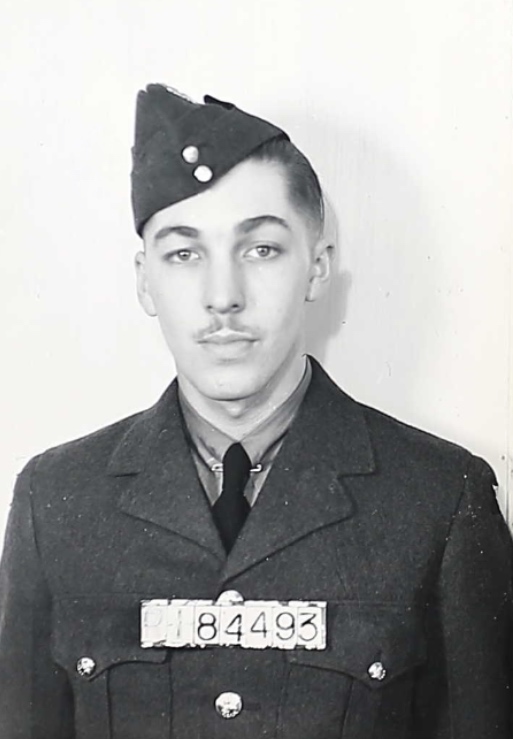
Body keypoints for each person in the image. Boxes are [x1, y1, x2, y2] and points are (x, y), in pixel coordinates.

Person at [0, 83, 511, 739]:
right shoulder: (55, 500)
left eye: (260, 249)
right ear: (144, 280)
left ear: (317, 268)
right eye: (184, 253)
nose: (223, 296)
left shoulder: (439, 498)